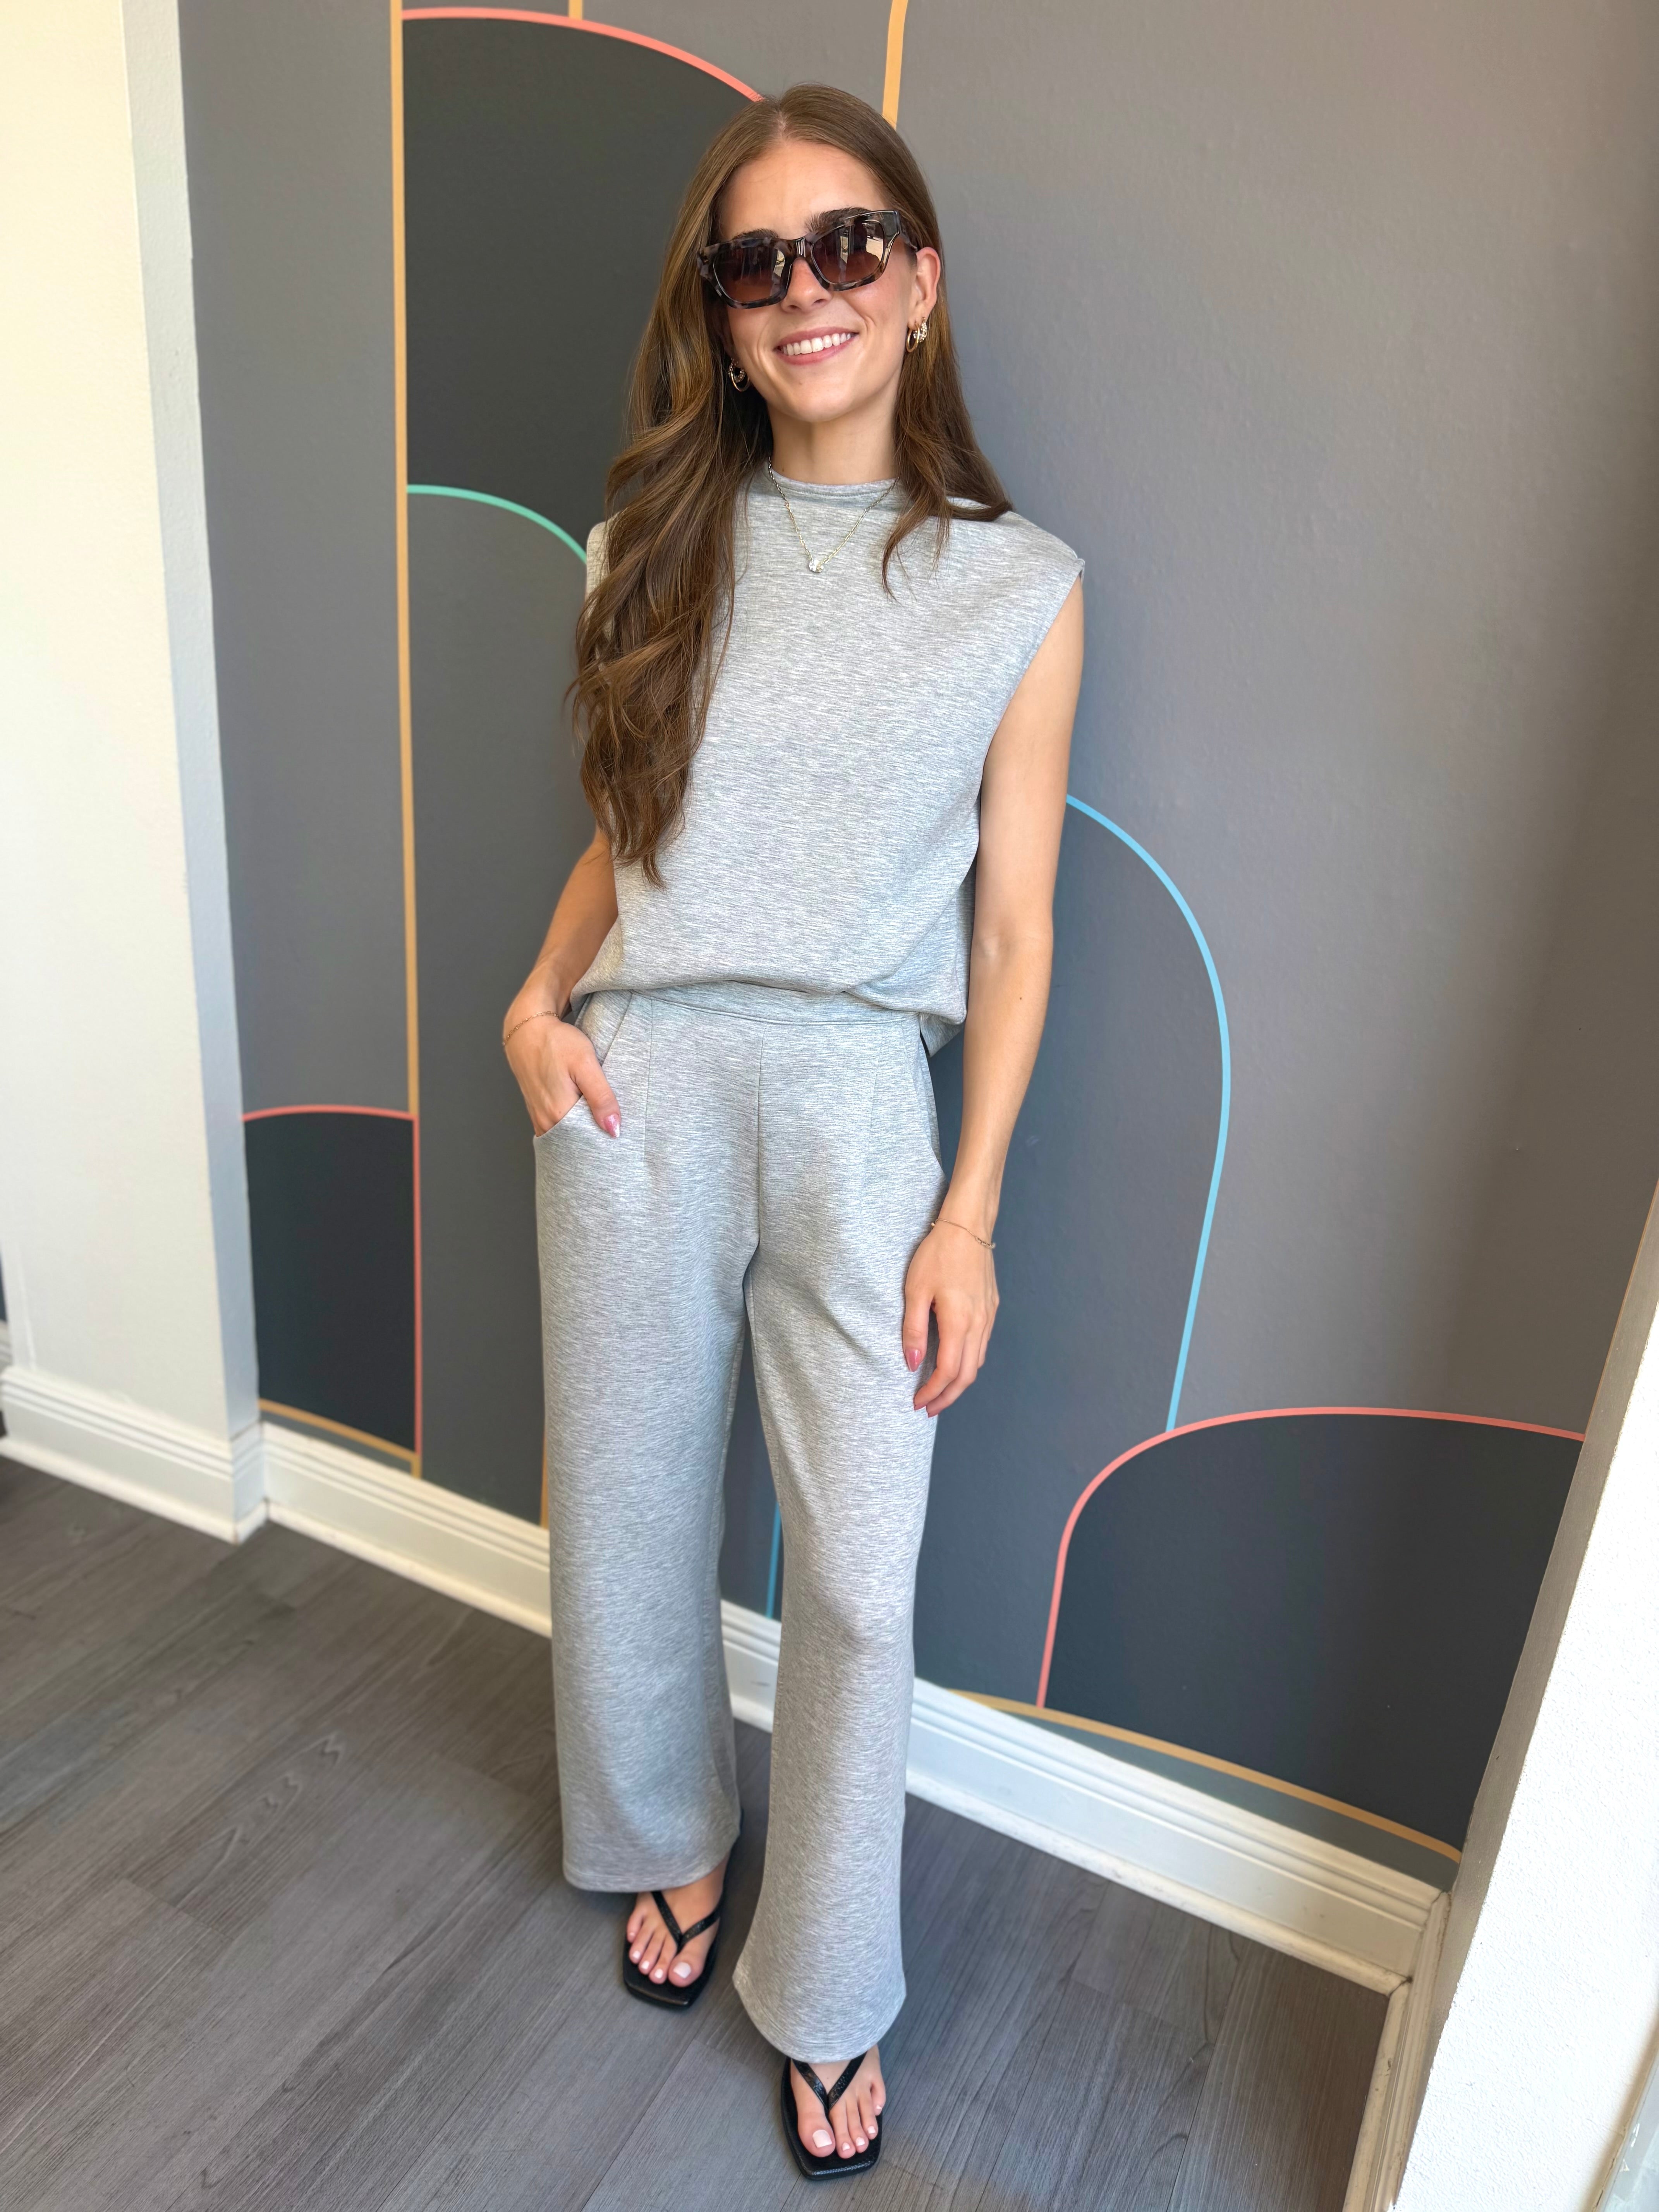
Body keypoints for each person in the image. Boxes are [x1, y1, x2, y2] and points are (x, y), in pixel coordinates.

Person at [502, 82, 1084, 2181]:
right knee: (630, 1511)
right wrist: (533, 1001)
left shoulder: (1020, 588)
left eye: (846, 247)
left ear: (918, 283)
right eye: (756, 262)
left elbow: (1011, 928)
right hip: (640, 1078)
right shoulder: (646, 547)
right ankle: (665, 1831)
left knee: (855, 1579)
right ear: (724, 314)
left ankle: (829, 1985)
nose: (801, 291)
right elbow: (627, 832)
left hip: (856, 1100)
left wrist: (972, 1210)